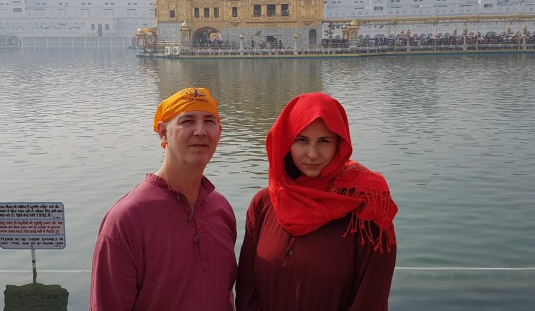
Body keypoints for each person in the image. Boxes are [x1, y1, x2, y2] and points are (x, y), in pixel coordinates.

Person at [236, 92, 397, 311]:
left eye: (323, 141)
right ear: (286, 143)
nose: (312, 154)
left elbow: (370, 300)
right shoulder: (264, 203)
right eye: (301, 140)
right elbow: (247, 289)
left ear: (339, 144)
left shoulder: (367, 209)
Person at [90, 87, 237, 311]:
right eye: (187, 121)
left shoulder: (220, 209)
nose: (200, 131)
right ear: (163, 132)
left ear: (219, 131)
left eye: (209, 121)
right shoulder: (128, 218)